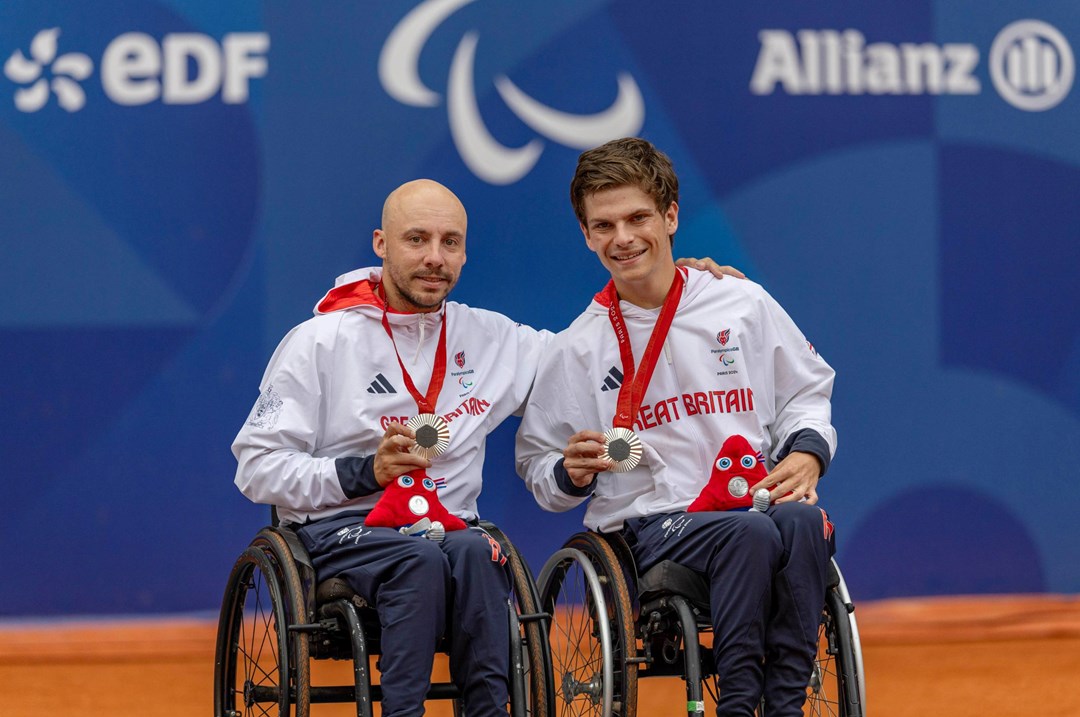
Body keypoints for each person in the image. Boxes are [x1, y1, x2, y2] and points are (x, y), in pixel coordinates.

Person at [232, 178, 740, 717]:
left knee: (479, 551)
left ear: (465, 251)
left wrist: (680, 289)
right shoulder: (318, 342)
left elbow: (594, 355)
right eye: (416, 240)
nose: (434, 258)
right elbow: (256, 467)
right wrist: (364, 471)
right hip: (342, 531)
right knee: (420, 559)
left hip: (450, 531)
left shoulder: (493, 339)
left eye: (450, 243)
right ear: (381, 244)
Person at [515, 138, 837, 717]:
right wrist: (570, 470)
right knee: (753, 533)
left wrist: (809, 453)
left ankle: (785, 701)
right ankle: (739, 704)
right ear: (586, 235)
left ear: (670, 216)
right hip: (651, 526)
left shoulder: (740, 302)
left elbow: (806, 391)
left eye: (638, 217)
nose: (623, 238)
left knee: (802, 519)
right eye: (604, 225)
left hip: (751, 499)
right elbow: (539, 468)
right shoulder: (578, 348)